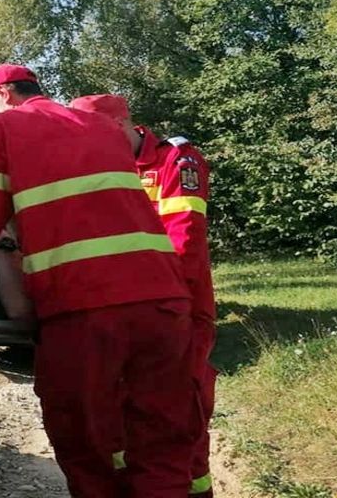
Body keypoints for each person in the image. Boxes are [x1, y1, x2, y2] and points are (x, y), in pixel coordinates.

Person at [0, 64, 200, 498]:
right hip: (164, 306)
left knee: (86, 448)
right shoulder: (100, 127)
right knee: (163, 448)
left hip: (84, 312)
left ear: (1, 94)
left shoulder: (3, 130)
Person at [70, 94, 216, 497]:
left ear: (120, 126)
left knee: (177, 417)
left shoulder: (174, 161)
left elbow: (183, 243)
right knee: (114, 415)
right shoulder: (96, 167)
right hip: (125, 312)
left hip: (177, 308)